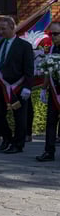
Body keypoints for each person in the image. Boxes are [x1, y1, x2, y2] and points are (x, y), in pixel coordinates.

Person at [0, 16, 34, 154]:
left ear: (12, 27)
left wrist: (27, 87)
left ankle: (18, 144)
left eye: (3, 29)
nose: (1, 32)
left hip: (18, 87)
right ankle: (7, 138)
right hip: (0, 87)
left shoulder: (24, 46)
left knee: (19, 117)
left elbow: (29, 69)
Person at [37, 21, 60, 162]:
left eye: (56, 34)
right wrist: (43, 89)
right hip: (54, 91)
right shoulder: (51, 49)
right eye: (51, 34)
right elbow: (47, 71)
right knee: (50, 122)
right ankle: (48, 151)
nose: (53, 37)